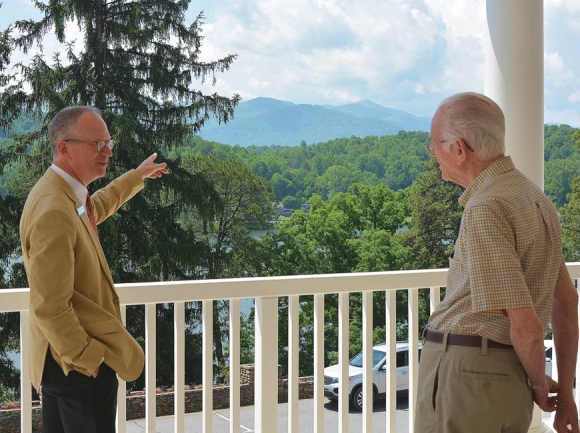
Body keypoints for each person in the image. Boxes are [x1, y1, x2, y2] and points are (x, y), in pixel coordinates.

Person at [415, 92, 579, 433]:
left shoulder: (486, 208)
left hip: (466, 375)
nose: (434, 155)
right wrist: (565, 391)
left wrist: (537, 384)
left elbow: (527, 325)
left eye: (435, 145)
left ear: (459, 149)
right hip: (506, 376)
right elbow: (566, 301)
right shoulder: (535, 197)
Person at [20, 106, 168, 433]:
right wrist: (92, 359)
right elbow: (50, 306)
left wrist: (136, 176)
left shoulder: (60, 194)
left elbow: (94, 209)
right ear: (64, 148)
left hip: (60, 362)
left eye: (108, 142)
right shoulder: (54, 210)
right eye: (98, 144)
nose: (109, 150)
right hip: (76, 367)